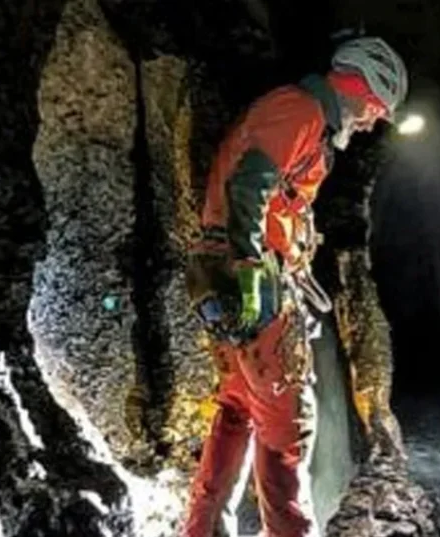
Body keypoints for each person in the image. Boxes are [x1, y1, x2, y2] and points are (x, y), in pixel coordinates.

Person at [181, 36, 409, 537]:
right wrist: (251, 267)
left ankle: (202, 529)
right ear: (363, 90)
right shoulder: (300, 110)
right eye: (375, 111)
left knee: (239, 408)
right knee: (289, 423)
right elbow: (250, 184)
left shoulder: (301, 118)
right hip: (251, 280)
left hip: (228, 279)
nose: (371, 123)